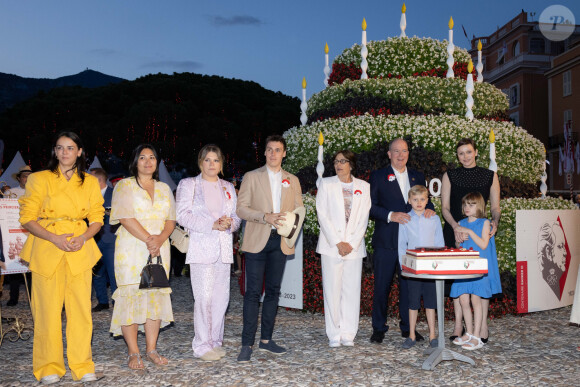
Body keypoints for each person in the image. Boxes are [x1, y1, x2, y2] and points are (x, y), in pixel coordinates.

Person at [19, 131, 104, 384]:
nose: (64, 152)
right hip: (47, 246)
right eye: (59, 148)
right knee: (47, 312)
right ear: (54, 152)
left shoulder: (89, 181)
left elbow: (98, 216)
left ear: (79, 152)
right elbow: (27, 218)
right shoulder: (38, 178)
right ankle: (48, 368)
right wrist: (54, 238)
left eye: (70, 148)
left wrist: (85, 237)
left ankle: (82, 365)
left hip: (80, 246)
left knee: (81, 311)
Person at [236, 134, 303, 363]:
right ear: (264, 153)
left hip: (280, 242)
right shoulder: (251, 177)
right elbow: (241, 209)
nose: (274, 153)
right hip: (257, 239)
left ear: (284, 153)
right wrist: (265, 216)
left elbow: (299, 210)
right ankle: (247, 344)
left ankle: (266, 341)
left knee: (273, 292)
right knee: (252, 293)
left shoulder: (292, 180)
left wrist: (289, 224)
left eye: (278, 150)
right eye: (270, 149)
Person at [109, 144, 176, 369]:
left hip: (159, 248)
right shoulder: (124, 186)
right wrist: (149, 239)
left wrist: (160, 239)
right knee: (131, 297)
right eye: (142, 158)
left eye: (152, 158)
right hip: (132, 248)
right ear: (134, 162)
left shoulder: (165, 188)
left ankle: (151, 349)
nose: (148, 161)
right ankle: (133, 351)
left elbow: (171, 219)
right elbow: (125, 217)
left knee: (154, 298)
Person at [176, 144, 241, 361]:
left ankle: (215, 341)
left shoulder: (228, 187)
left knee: (221, 299)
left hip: (223, 249)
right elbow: (182, 216)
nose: (211, 164)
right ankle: (202, 345)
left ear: (221, 164)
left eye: (216, 160)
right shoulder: (189, 185)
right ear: (200, 162)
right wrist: (211, 224)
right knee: (203, 298)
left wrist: (230, 223)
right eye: (207, 160)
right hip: (201, 247)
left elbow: (237, 217)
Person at [369, 138, 435, 344]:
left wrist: (430, 208)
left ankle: (408, 328)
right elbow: (370, 207)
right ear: (389, 154)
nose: (400, 155)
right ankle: (378, 328)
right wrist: (391, 215)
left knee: (409, 287)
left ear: (408, 153)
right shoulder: (378, 176)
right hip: (386, 241)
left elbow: (426, 200)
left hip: (411, 244)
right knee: (382, 286)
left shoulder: (418, 175)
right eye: (396, 151)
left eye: (404, 151)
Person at [441, 138, 500, 343]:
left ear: (476, 152)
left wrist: (495, 222)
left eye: (468, 152)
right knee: (459, 284)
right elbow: (445, 208)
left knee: (481, 282)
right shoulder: (450, 175)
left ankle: (482, 327)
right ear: (457, 156)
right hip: (456, 231)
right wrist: (456, 226)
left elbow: (495, 207)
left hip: (480, 233)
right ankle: (459, 325)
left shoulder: (490, 175)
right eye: (460, 153)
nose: (465, 156)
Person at [316, 149, 371, 347]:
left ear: (351, 164)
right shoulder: (326, 184)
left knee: (351, 289)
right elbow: (322, 214)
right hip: (331, 246)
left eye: (343, 161)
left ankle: (348, 333)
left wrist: (351, 243)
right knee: (332, 289)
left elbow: (363, 218)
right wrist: (338, 242)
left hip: (354, 248)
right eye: (336, 161)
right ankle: (334, 333)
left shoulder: (364, 187)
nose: (339, 164)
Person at [449, 192, 501, 350]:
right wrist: (458, 241)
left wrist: (470, 232)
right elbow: (459, 247)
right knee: (463, 300)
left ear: (479, 206)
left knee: (476, 300)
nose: (467, 207)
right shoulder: (460, 223)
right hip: (464, 267)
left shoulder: (484, 223)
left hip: (478, 267)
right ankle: (469, 333)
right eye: (465, 204)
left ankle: (478, 336)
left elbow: (484, 244)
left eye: (471, 205)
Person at [397, 185, 444, 349]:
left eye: (422, 199)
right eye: (415, 199)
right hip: (413, 269)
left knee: (431, 302)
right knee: (413, 302)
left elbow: (439, 243)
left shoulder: (434, 219)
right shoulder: (405, 220)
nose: (419, 202)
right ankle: (411, 335)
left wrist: (439, 265)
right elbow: (402, 245)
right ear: (409, 200)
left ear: (427, 201)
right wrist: (404, 267)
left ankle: (432, 336)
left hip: (431, 268)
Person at [89, 168, 117, 312]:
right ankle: (102, 301)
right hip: (92, 239)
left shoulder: (115, 194)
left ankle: (116, 301)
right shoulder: (87, 196)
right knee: (97, 273)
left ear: (98, 180)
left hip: (110, 239)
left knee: (113, 272)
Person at [5, 165, 33, 306]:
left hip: (31, 232)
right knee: (14, 264)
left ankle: (34, 297)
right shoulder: (10, 192)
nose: (27, 179)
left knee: (32, 266)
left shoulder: (37, 192)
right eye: (24, 176)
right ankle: (13, 297)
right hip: (14, 231)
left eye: (29, 176)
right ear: (19, 178)